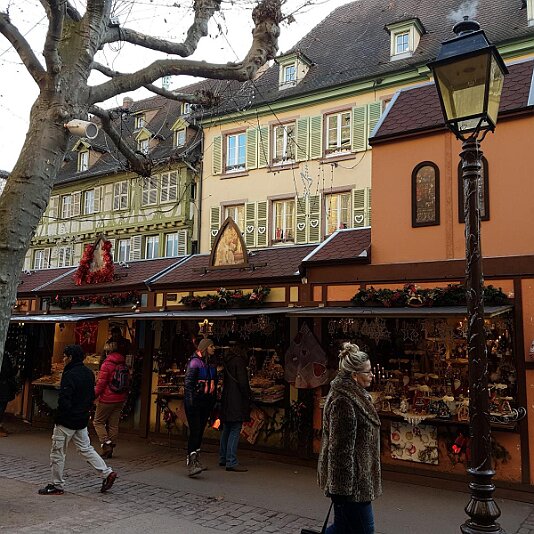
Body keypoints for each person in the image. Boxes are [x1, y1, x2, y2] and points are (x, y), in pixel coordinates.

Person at [317, 343, 381, 534]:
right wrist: (341, 490)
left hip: (357, 482)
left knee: (343, 528)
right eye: (367, 372)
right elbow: (339, 449)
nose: (372, 375)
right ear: (354, 375)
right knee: (362, 530)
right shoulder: (344, 400)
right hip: (352, 486)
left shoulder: (356, 395)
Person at [38, 344, 117, 495]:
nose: (63, 359)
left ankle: (56, 485)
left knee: (58, 452)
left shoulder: (69, 374)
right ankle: (107, 473)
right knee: (86, 448)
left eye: (65, 356)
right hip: (81, 419)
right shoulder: (88, 373)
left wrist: (61, 415)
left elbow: (64, 399)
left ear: (71, 357)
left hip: (67, 420)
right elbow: (91, 395)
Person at [184, 338, 218, 477]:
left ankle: (196, 459)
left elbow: (214, 382)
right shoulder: (194, 363)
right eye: (211, 346)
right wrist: (191, 402)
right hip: (195, 402)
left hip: (206, 402)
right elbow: (188, 385)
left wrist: (213, 400)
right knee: (195, 431)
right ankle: (192, 462)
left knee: (200, 431)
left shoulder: (210, 363)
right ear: (205, 348)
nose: (214, 348)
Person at [93, 341, 129, 459]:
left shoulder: (107, 364)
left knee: (98, 422)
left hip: (107, 398)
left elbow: (101, 384)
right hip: (120, 398)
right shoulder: (123, 363)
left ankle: (106, 443)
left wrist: (93, 395)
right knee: (113, 424)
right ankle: (111, 448)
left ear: (107, 351)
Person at [219, 343, 251, 472]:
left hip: (227, 399)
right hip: (236, 400)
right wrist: (248, 395)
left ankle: (223, 457)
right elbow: (243, 382)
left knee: (227, 428)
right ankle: (231, 461)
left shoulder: (228, 361)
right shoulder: (239, 361)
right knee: (235, 428)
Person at [0, 352, 17, 437]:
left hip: (3, 385)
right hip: (3, 386)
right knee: (1, 406)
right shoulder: (4, 356)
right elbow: (8, 371)